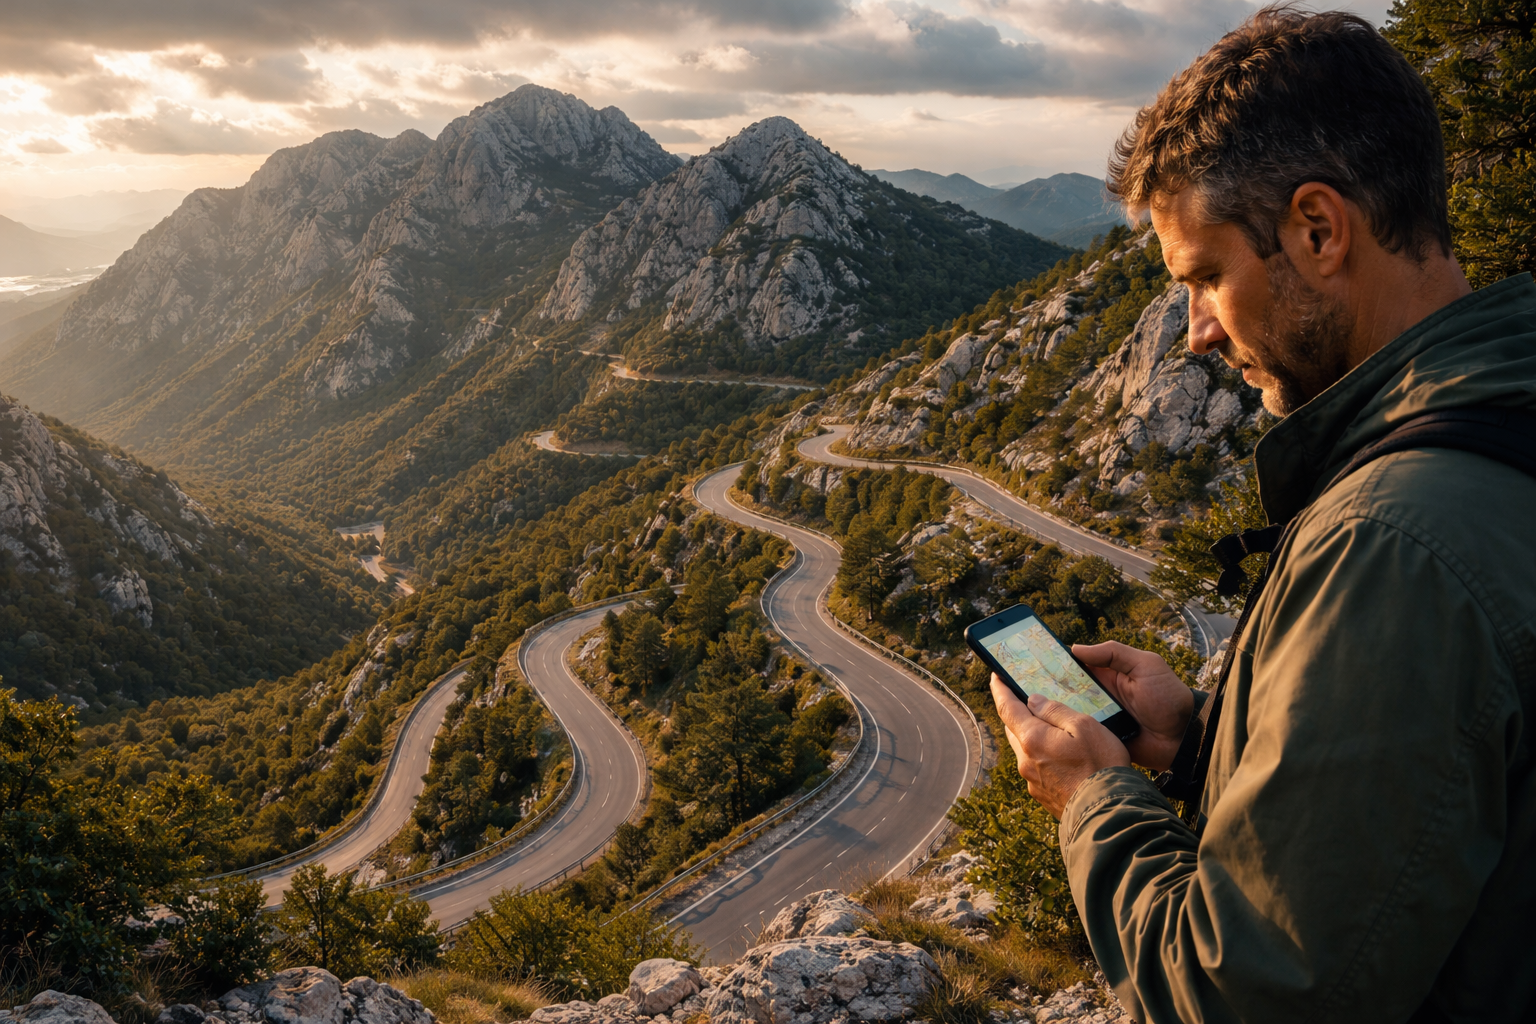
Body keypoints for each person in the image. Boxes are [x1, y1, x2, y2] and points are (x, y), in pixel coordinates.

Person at [988, 7, 1536, 1022]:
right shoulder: (1502, 423)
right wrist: (1203, 741)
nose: (1193, 332)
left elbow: (1241, 993)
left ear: (1319, 231)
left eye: (1205, 277)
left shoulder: (1396, 543)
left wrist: (1093, 799)